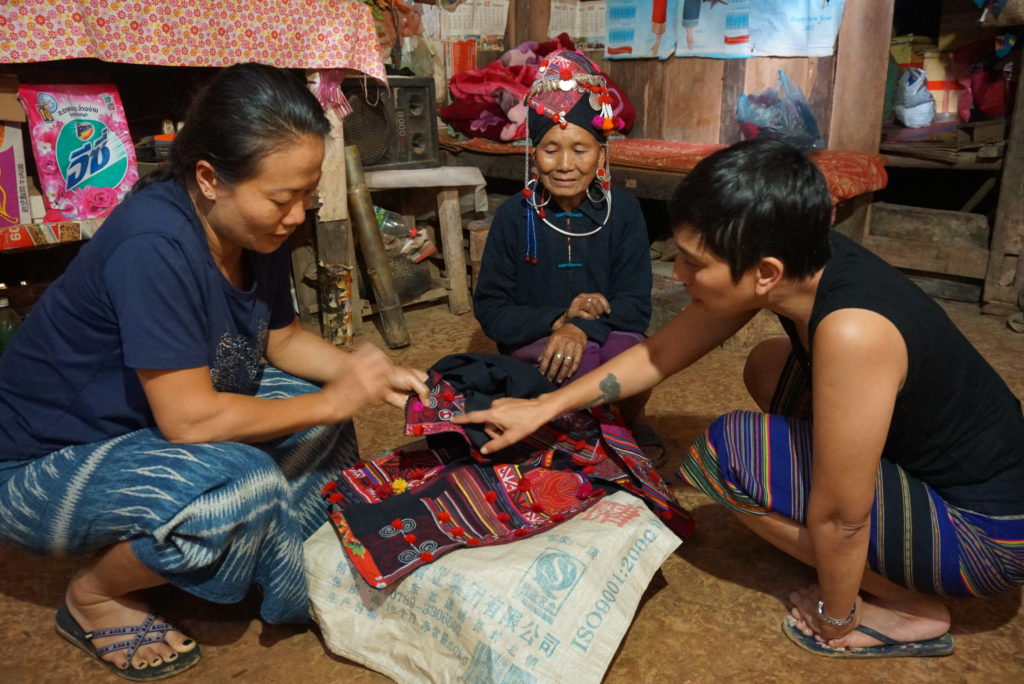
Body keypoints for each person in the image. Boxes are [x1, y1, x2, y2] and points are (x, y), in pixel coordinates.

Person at [456, 138, 1024, 658]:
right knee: (768, 363)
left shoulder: (853, 330)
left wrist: (837, 613)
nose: (677, 273)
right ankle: (884, 541)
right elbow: (660, 354)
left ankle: (904, 606)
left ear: (764, 274)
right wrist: (545, 407)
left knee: (728, 454)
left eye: (694, 262)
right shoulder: (802, 257)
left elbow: (843, 519)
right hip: (944, 471)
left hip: (990, 537)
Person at [0, 63, 428, 680]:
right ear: (208, 178)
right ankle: (95, 595)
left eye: (308, 196)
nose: (298, 214)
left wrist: (369, 374)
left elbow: (281, 340)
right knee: (241, 484)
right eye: (283, 198)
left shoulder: (254, 233)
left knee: (318, 419)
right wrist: (338, 399)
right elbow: (191, 418)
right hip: (41, 468)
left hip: (145, 427)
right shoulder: (154, 244)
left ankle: (239, 556)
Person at [472, 49, 665, 461]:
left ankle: (623, 426)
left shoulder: (624, 212)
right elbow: (491, 310)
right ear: (532, 154)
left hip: (607, 332)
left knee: (631, 359)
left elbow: (635, 306)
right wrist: (558, 320)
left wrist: (581, 328)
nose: (564, 165)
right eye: (549, 149)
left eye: (580, 149)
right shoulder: (513, 216)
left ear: (601, 154)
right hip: (537, 339)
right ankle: (589, 440)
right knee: (575, 362)